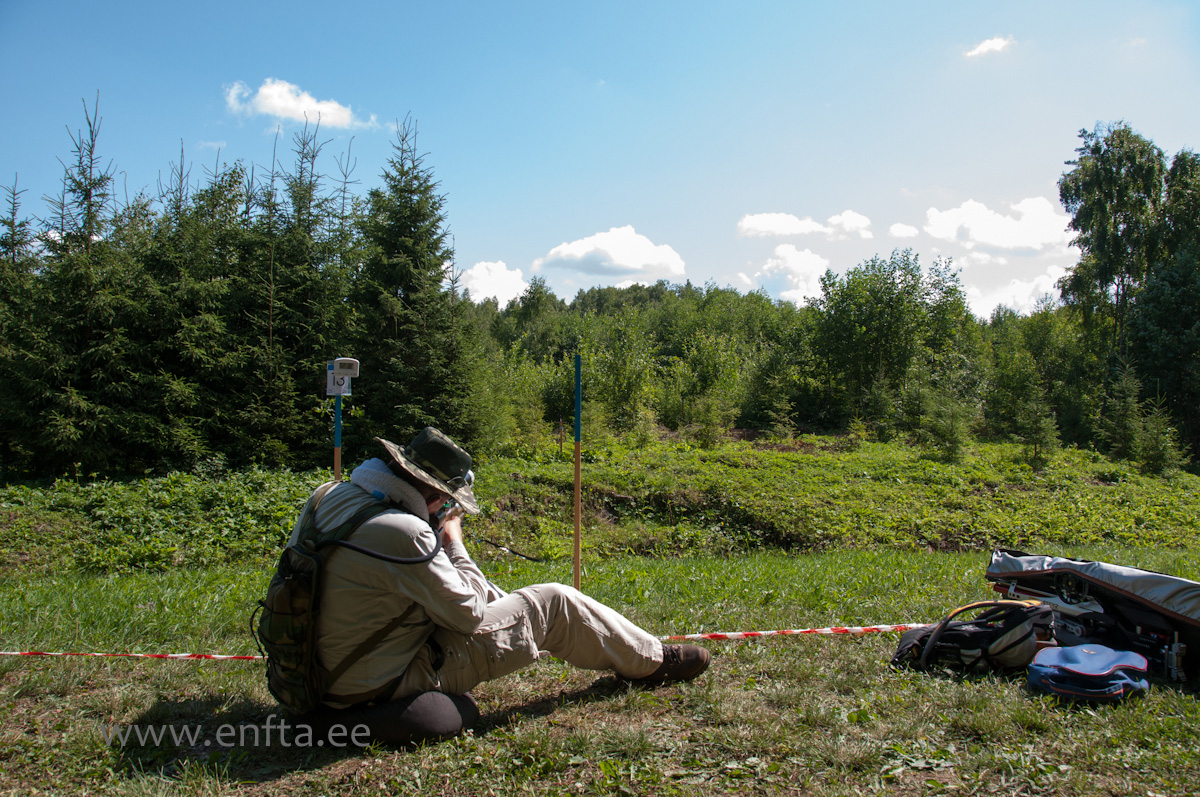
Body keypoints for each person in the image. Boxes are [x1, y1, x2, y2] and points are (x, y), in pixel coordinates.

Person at [296, 426, 709, 741]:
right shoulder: (406, 532)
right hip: (370, 685)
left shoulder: (327, 497)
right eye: (448, 501)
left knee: (503, 599)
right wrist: (453, 542)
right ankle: (653, 660)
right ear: (435, 494)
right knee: (552, 601)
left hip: (310, 673)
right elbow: (469, 615)